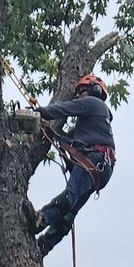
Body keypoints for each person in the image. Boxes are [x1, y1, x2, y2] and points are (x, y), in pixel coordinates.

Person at [25, 73, 115, 256]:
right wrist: (50, 132)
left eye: (82, 92)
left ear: (94, 92)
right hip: (101, 167)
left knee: (70, 196)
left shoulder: (94, 103)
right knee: (69, 213)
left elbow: (65, 109)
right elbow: (66, 138)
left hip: (95, 160)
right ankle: (45, 244)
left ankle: (40, 219)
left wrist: (40, 112)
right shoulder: (92, 125)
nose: (79, 96)